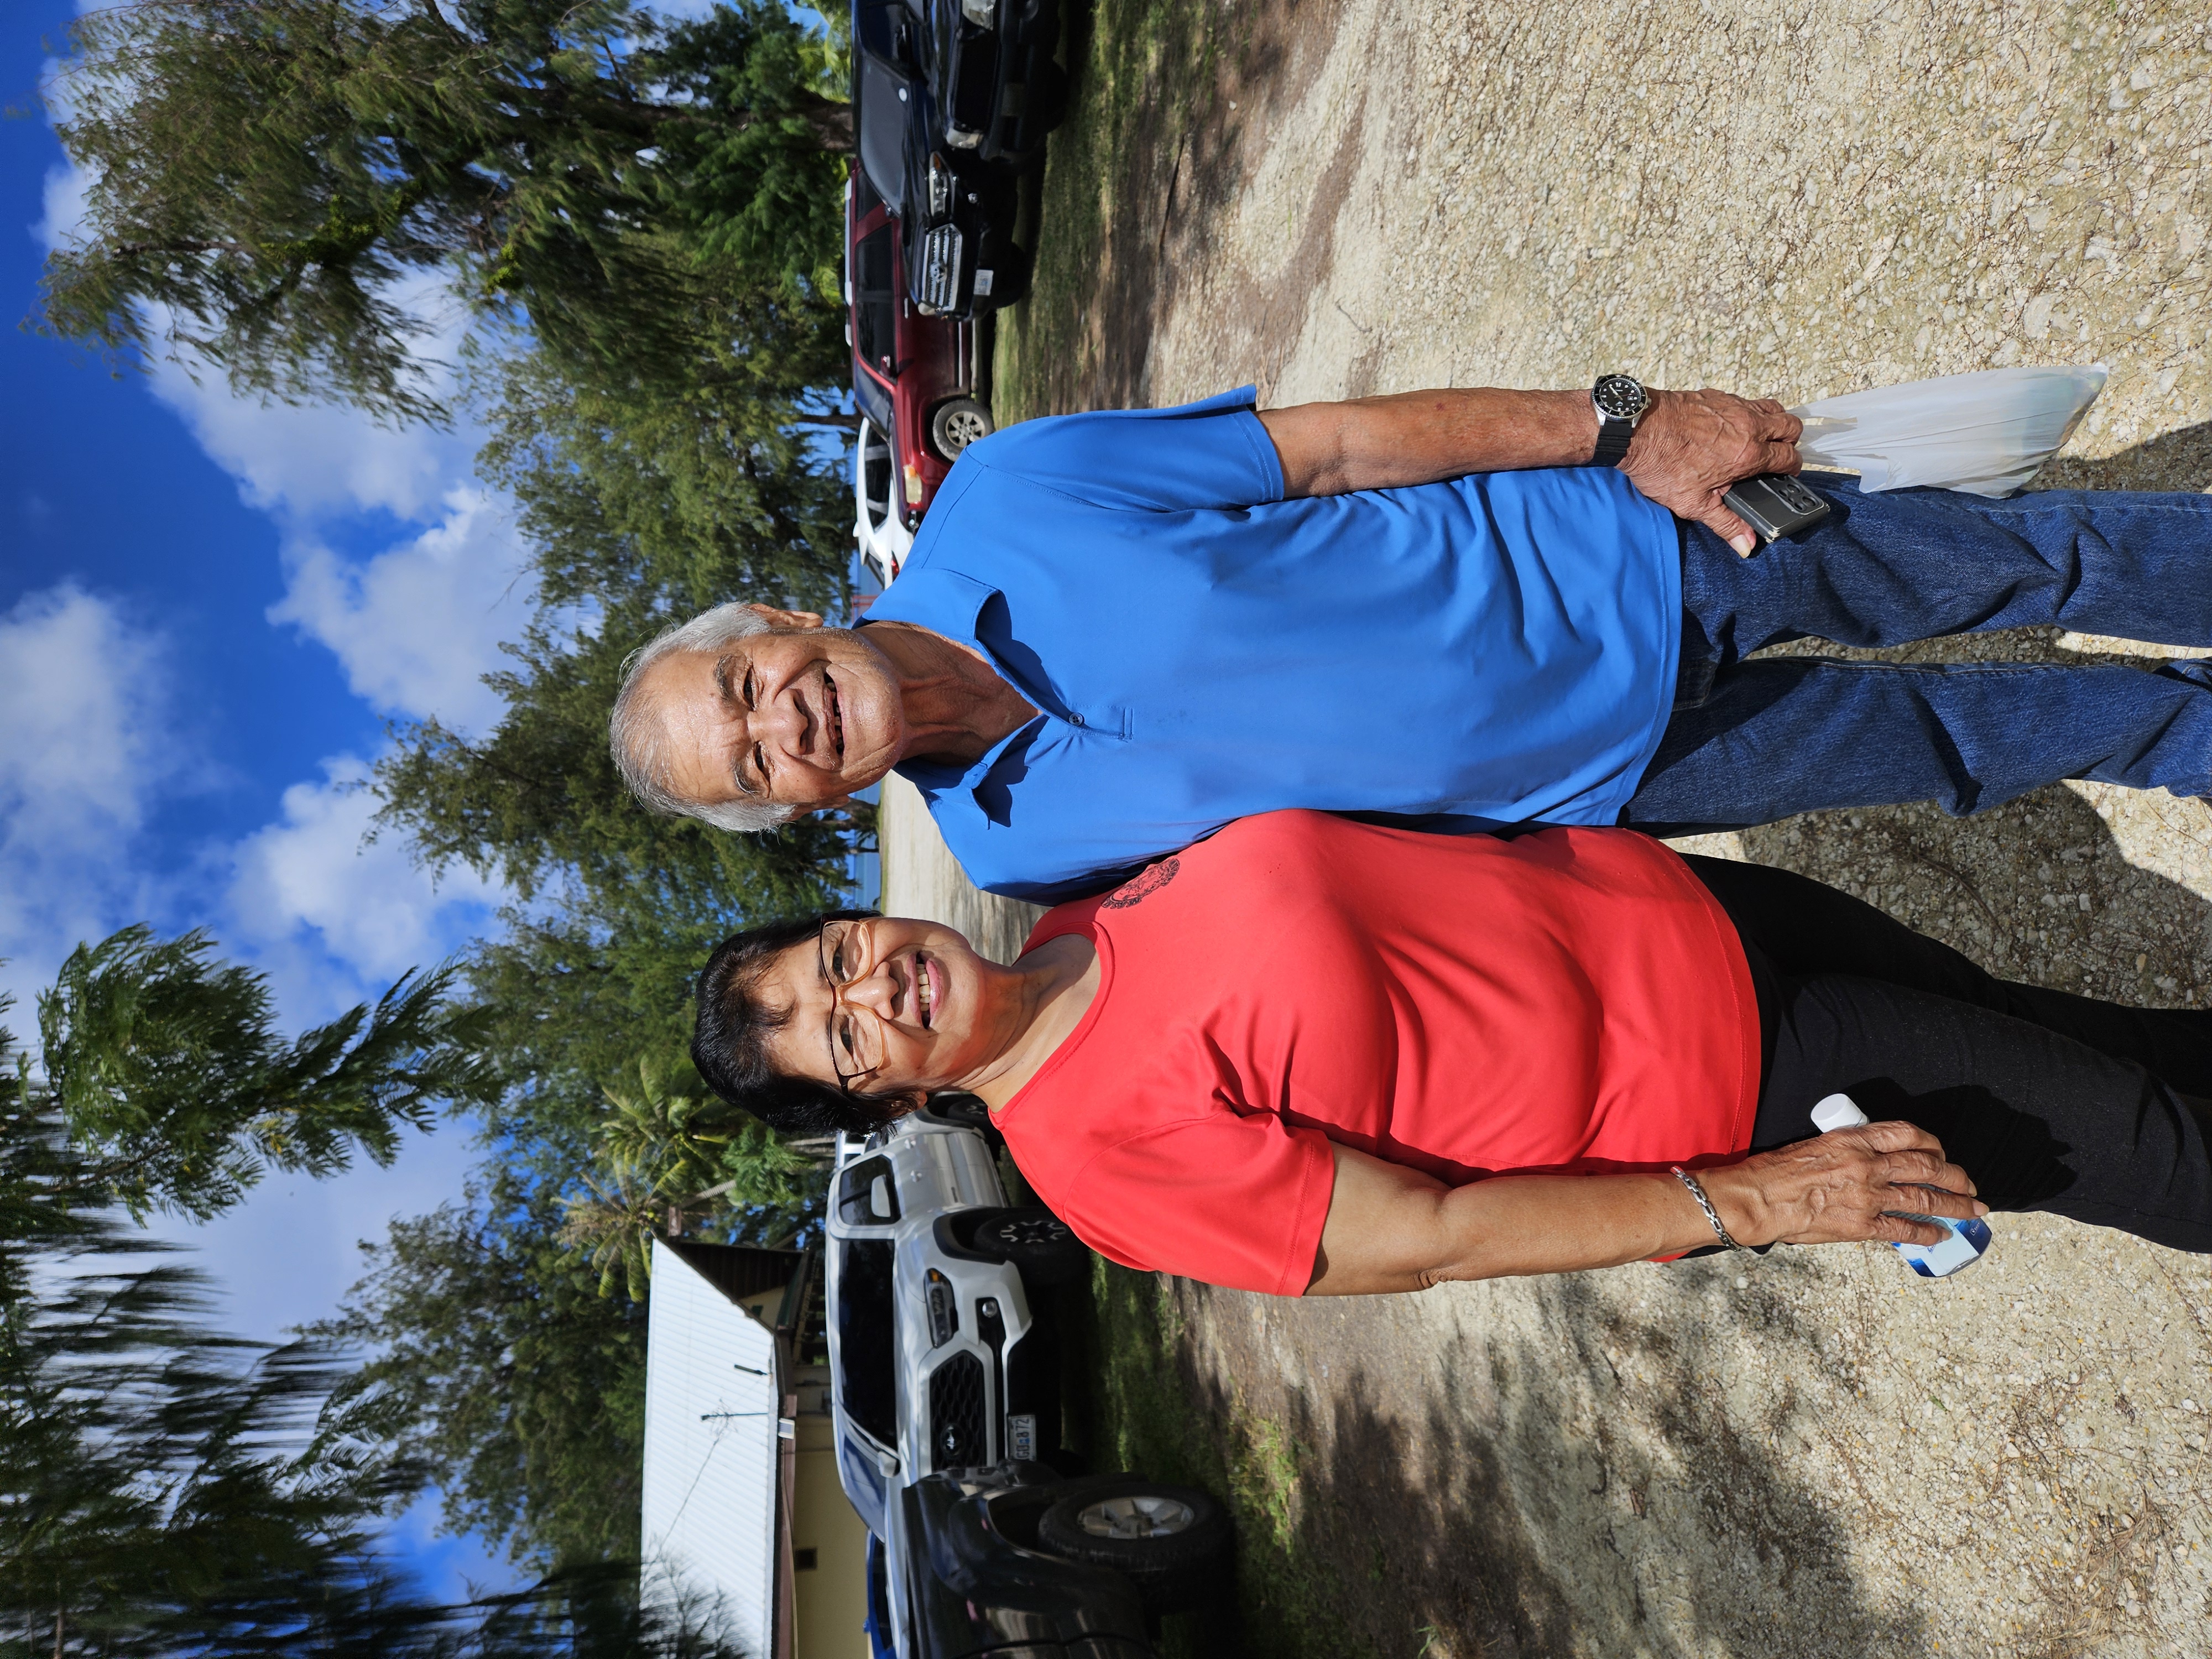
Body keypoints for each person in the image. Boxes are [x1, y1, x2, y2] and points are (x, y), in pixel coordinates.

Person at [609, 377, 2212, 902]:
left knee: (2032, 556)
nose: (785, 727)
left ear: (780, 620)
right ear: (802, 809)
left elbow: (1341, 448)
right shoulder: (1014, 858)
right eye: (752, 764)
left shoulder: (1016, 494)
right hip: (1625, 774)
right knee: (1967, 750)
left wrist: (1624, 428)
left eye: (744, 689)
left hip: (1644, 559)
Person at [688, 813, 2212, 1296]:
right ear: (884, 1095)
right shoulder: (1095, 1166)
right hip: (1742, 1080)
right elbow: (1423, 1239)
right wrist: (1754, 1199)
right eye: (846, 1037)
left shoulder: (1085, 905)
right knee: (2148, 1142)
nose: (875, 988)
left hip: (1704, 914)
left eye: (838, 956)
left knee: (2097, 1044)